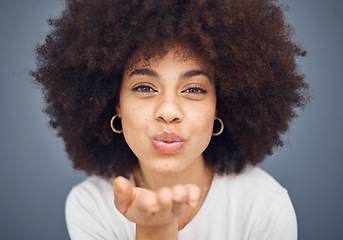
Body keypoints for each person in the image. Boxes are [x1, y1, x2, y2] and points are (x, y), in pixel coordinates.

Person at [31, 0, 308, 239]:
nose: (168, 111)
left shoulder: (264, 206)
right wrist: (154, 230)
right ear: (114, 103)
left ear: (219, 109)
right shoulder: (91, 205)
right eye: (144, 87)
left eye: (194, 89)